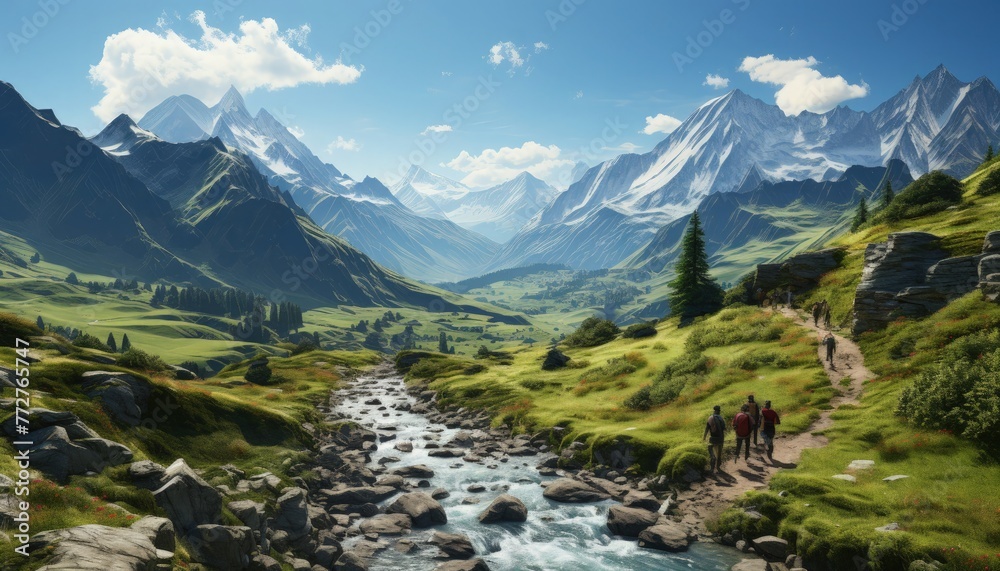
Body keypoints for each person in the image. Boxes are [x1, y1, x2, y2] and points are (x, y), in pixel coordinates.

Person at [703, 405, 727, 472]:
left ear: (714, 411)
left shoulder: (710, 418)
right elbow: (724, 428)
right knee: (719, 452)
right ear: (718, 411)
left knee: (711, 449)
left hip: (712, 438)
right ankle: (718, 467)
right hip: (720, 438)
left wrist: (704, 437)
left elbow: (707, 428)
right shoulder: (721, 418)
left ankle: (712, 467)